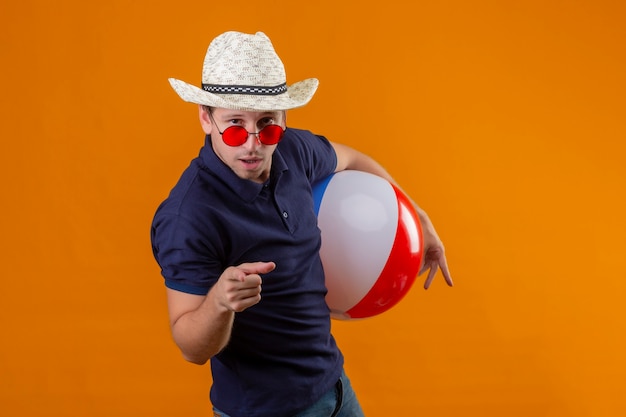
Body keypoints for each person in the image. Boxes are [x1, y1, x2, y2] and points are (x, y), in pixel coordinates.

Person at [151, 31, 453, 417]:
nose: (252, 144)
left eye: (268, 125)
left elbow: (354, 160)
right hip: (265, 410)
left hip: (334, 386)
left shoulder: (293, 150)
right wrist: (219, 303)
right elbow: (191, 346)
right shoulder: (188, 216)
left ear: (284, 119)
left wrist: (416, 214)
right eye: (235, 125)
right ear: (205, 118)